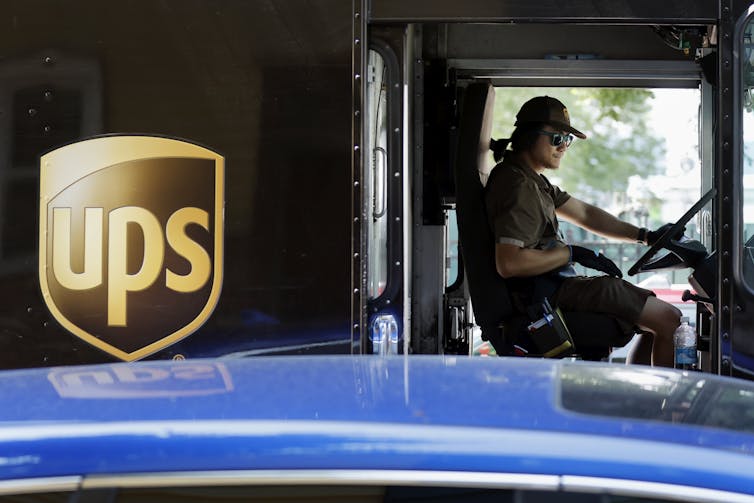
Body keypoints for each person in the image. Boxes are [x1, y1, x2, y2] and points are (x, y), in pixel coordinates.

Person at [485, 95, 681, 367]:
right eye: (557, 138)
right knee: (670, 321)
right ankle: (667, 411)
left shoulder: (533, 181)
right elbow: (510, 263)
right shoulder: (518, 186)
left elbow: (586, 214)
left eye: (568, 140)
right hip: (547, 295)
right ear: (530, 136)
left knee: (654, 323)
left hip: (557, 286)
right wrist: (570, 253)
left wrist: (645, 235)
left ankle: (637, 401)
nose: (564, 146)